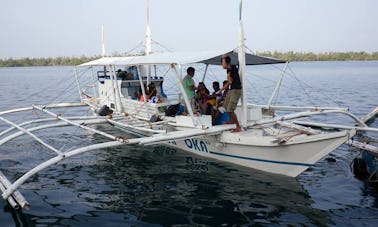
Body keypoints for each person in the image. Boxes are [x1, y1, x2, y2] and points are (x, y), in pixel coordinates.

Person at [216, 55, 242, 132]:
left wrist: (225, 57)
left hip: (236, 90)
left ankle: (238, 127)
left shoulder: (232, 68)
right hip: (232, 89)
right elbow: (229, 82)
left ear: (227, 63)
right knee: (225, 107)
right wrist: (221, 90)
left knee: (230, 110)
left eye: (222, 62)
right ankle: (231, 120)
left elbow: (229, 81)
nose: (221, 64)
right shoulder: (228, 70)